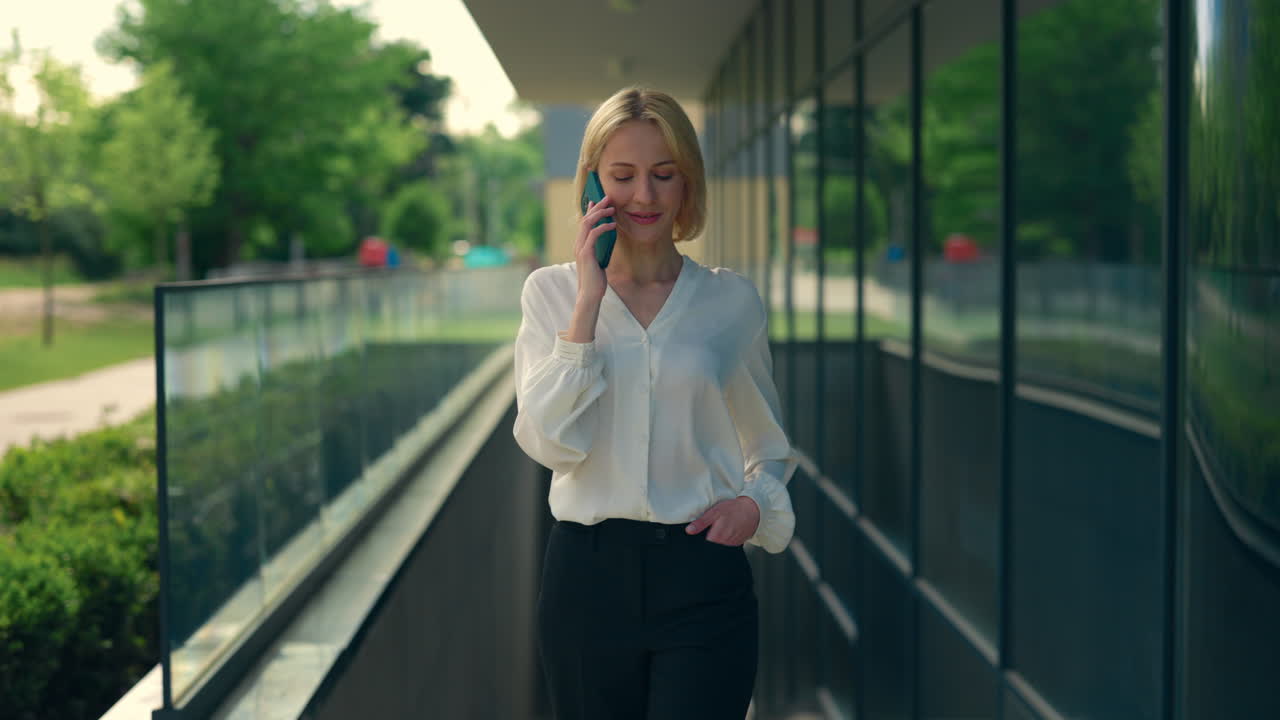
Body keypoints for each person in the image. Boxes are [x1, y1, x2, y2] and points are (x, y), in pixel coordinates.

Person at [513, 86, 796, 720]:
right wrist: (586, 307)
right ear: (591, 184)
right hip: (587, 581)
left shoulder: (731, 302)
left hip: (704, 578)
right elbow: (549, 443)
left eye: (664, 175)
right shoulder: (551, 295)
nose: (644, 195)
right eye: (623, 175)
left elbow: (769, 447)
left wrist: (757, 505)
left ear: (688, 184)